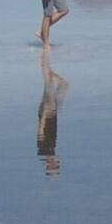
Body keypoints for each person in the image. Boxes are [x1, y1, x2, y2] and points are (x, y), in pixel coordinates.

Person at [36, 48, 69, 177]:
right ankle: (48, 69)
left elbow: (40, 131)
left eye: (55, 166)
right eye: (57, 165)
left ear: (49, 165)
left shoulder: (43, 151)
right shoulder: (50, 151)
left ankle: (46, 65)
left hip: (47, 111)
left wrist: (44, 114)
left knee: (50, 84)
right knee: (64, 85)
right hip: (52, 112)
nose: (57, 163)